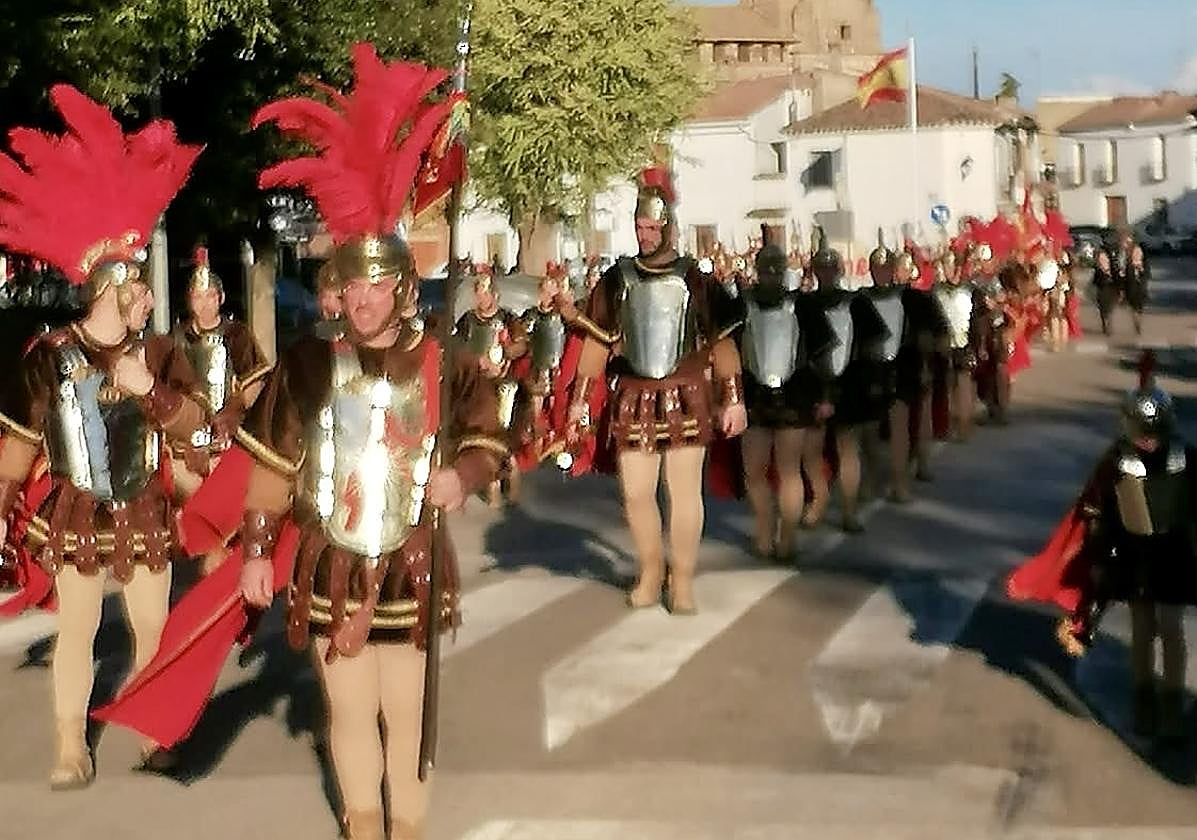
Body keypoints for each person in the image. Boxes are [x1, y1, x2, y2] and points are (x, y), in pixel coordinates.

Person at [0, 84, 204, 788]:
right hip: (79, 506)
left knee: (152, 626)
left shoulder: (158, 354)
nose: (147, 293)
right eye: (138, 283)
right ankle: (69, 744)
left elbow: (194, 426)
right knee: (79, 628)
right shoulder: (50, 355)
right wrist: (0, 500)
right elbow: (23, 444)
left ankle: (152, 733)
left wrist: (156, 395)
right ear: (110, 285)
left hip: (144, 502)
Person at [567, 165, 746, 614]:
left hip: (686, 388)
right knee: (635, 492)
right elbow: (595, 342)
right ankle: (650, 569)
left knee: (684, 492)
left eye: (652, 227)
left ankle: (682, 579)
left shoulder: (695, 278)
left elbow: (721, 342)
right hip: (633, 391)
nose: (644, 235)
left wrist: (734, 398)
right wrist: (579, 403)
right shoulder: (617, 277)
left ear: (668, 226)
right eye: (639, 226)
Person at [1008, 352, 1196, 740]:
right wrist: (1097, 558)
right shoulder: (1115, 463)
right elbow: (1096, 512)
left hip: (1176, 554)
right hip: (1135, 555)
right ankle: (1145, 701)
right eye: (1140, 429)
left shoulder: (1185, 458)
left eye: (1153, 429)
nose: (1147, 437)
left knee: (1172, 629)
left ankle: (1172, 706)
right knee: (1144, 628)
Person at [731, 227, 834, 557]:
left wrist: (825, 395)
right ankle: (776, 535)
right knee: (772, 471)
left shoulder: (798, 306)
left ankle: (774, 535)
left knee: (772, 472)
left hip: (784, 397)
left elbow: (822, 355)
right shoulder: (748, 305)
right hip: (773, 397)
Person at [170, 245, 272, 497]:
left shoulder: (236, 334)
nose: (204, 304)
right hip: (185, 436)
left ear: (221, 298)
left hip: (227, 433)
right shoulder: (178, 338)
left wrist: (232, 413)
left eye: (210, 297)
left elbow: (254, 381)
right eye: (198, 297)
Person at [455, 269, 529, 505]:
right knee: (481, 432)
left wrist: (505, 353)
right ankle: (491, 481)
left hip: (503, 382)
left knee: (502, 430)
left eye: (486, 293)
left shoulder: (507, 319)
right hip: (477, 384)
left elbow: (521, 345)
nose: (482, 298)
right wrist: (475, 361)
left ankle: (510, 475)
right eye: (479, 293)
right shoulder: (468, 320)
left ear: (495, 295)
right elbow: (458, 346)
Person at [1125, 243, 1150, 336]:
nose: (1137, 255)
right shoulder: (1128, 265)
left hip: (1141, 290)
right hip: (1131, 290)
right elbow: (1126, 278)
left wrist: (1141, 269)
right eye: (1135, 253)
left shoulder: (1145, 264)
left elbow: (1147, 276)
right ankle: (1137, 324)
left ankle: (1138, 321)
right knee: (1134, 309)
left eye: (1139, 253)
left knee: (1140, 309)